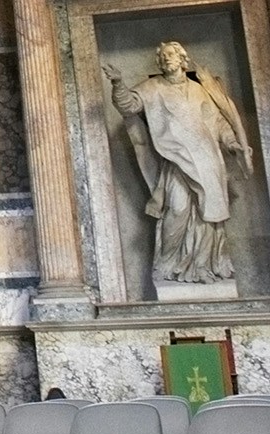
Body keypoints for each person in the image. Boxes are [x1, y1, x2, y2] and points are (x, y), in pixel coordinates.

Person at [104, 42, 253, 285]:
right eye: (162, 57)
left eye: (170, 55)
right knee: (177, 209)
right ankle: (168, 265)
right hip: (175, 160)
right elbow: (128, 105)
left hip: (207, 161)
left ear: (182, 58)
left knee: (209, 216)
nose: (165, 59)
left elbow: (218, 124)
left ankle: (203, 266)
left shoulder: (200, 90)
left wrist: (233, 144)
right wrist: (118, 83)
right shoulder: (152, 88)